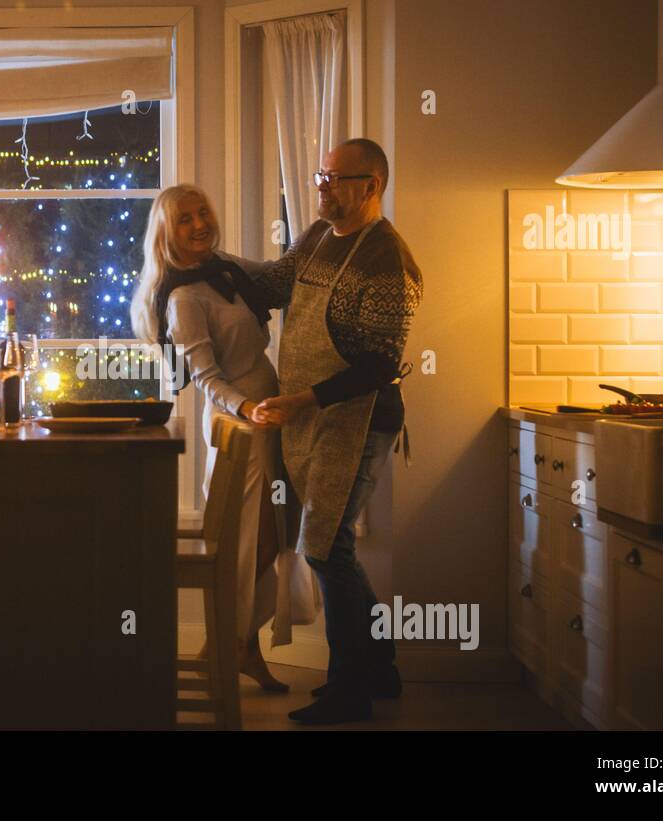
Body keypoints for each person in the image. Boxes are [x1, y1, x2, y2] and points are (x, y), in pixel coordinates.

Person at [249, 138, 423, 724]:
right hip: (312, 418)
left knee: (325, 547)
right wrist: (199, 266)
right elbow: (271, 284)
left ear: (370, 187)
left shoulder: (388, 260)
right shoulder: (318, 238)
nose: (320, 186)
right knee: (332, 548)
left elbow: (379, 364)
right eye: (321, 176)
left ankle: (352, 690)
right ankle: (379, 671)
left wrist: (303, 399)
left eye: (334, 178)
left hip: (358, 420)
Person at [130, 184, 318, 692]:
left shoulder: (225, 268)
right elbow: (208, 379)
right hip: (244, 424)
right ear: (167, 232)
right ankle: (224, 647)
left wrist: (318, 226)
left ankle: (242, 649)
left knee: (270, 537)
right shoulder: (185, 296)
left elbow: (277, 273)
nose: (198, 225)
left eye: (203, 213)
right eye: (185, 219)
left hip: (270, 416)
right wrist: (249, 408)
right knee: (249, 542)